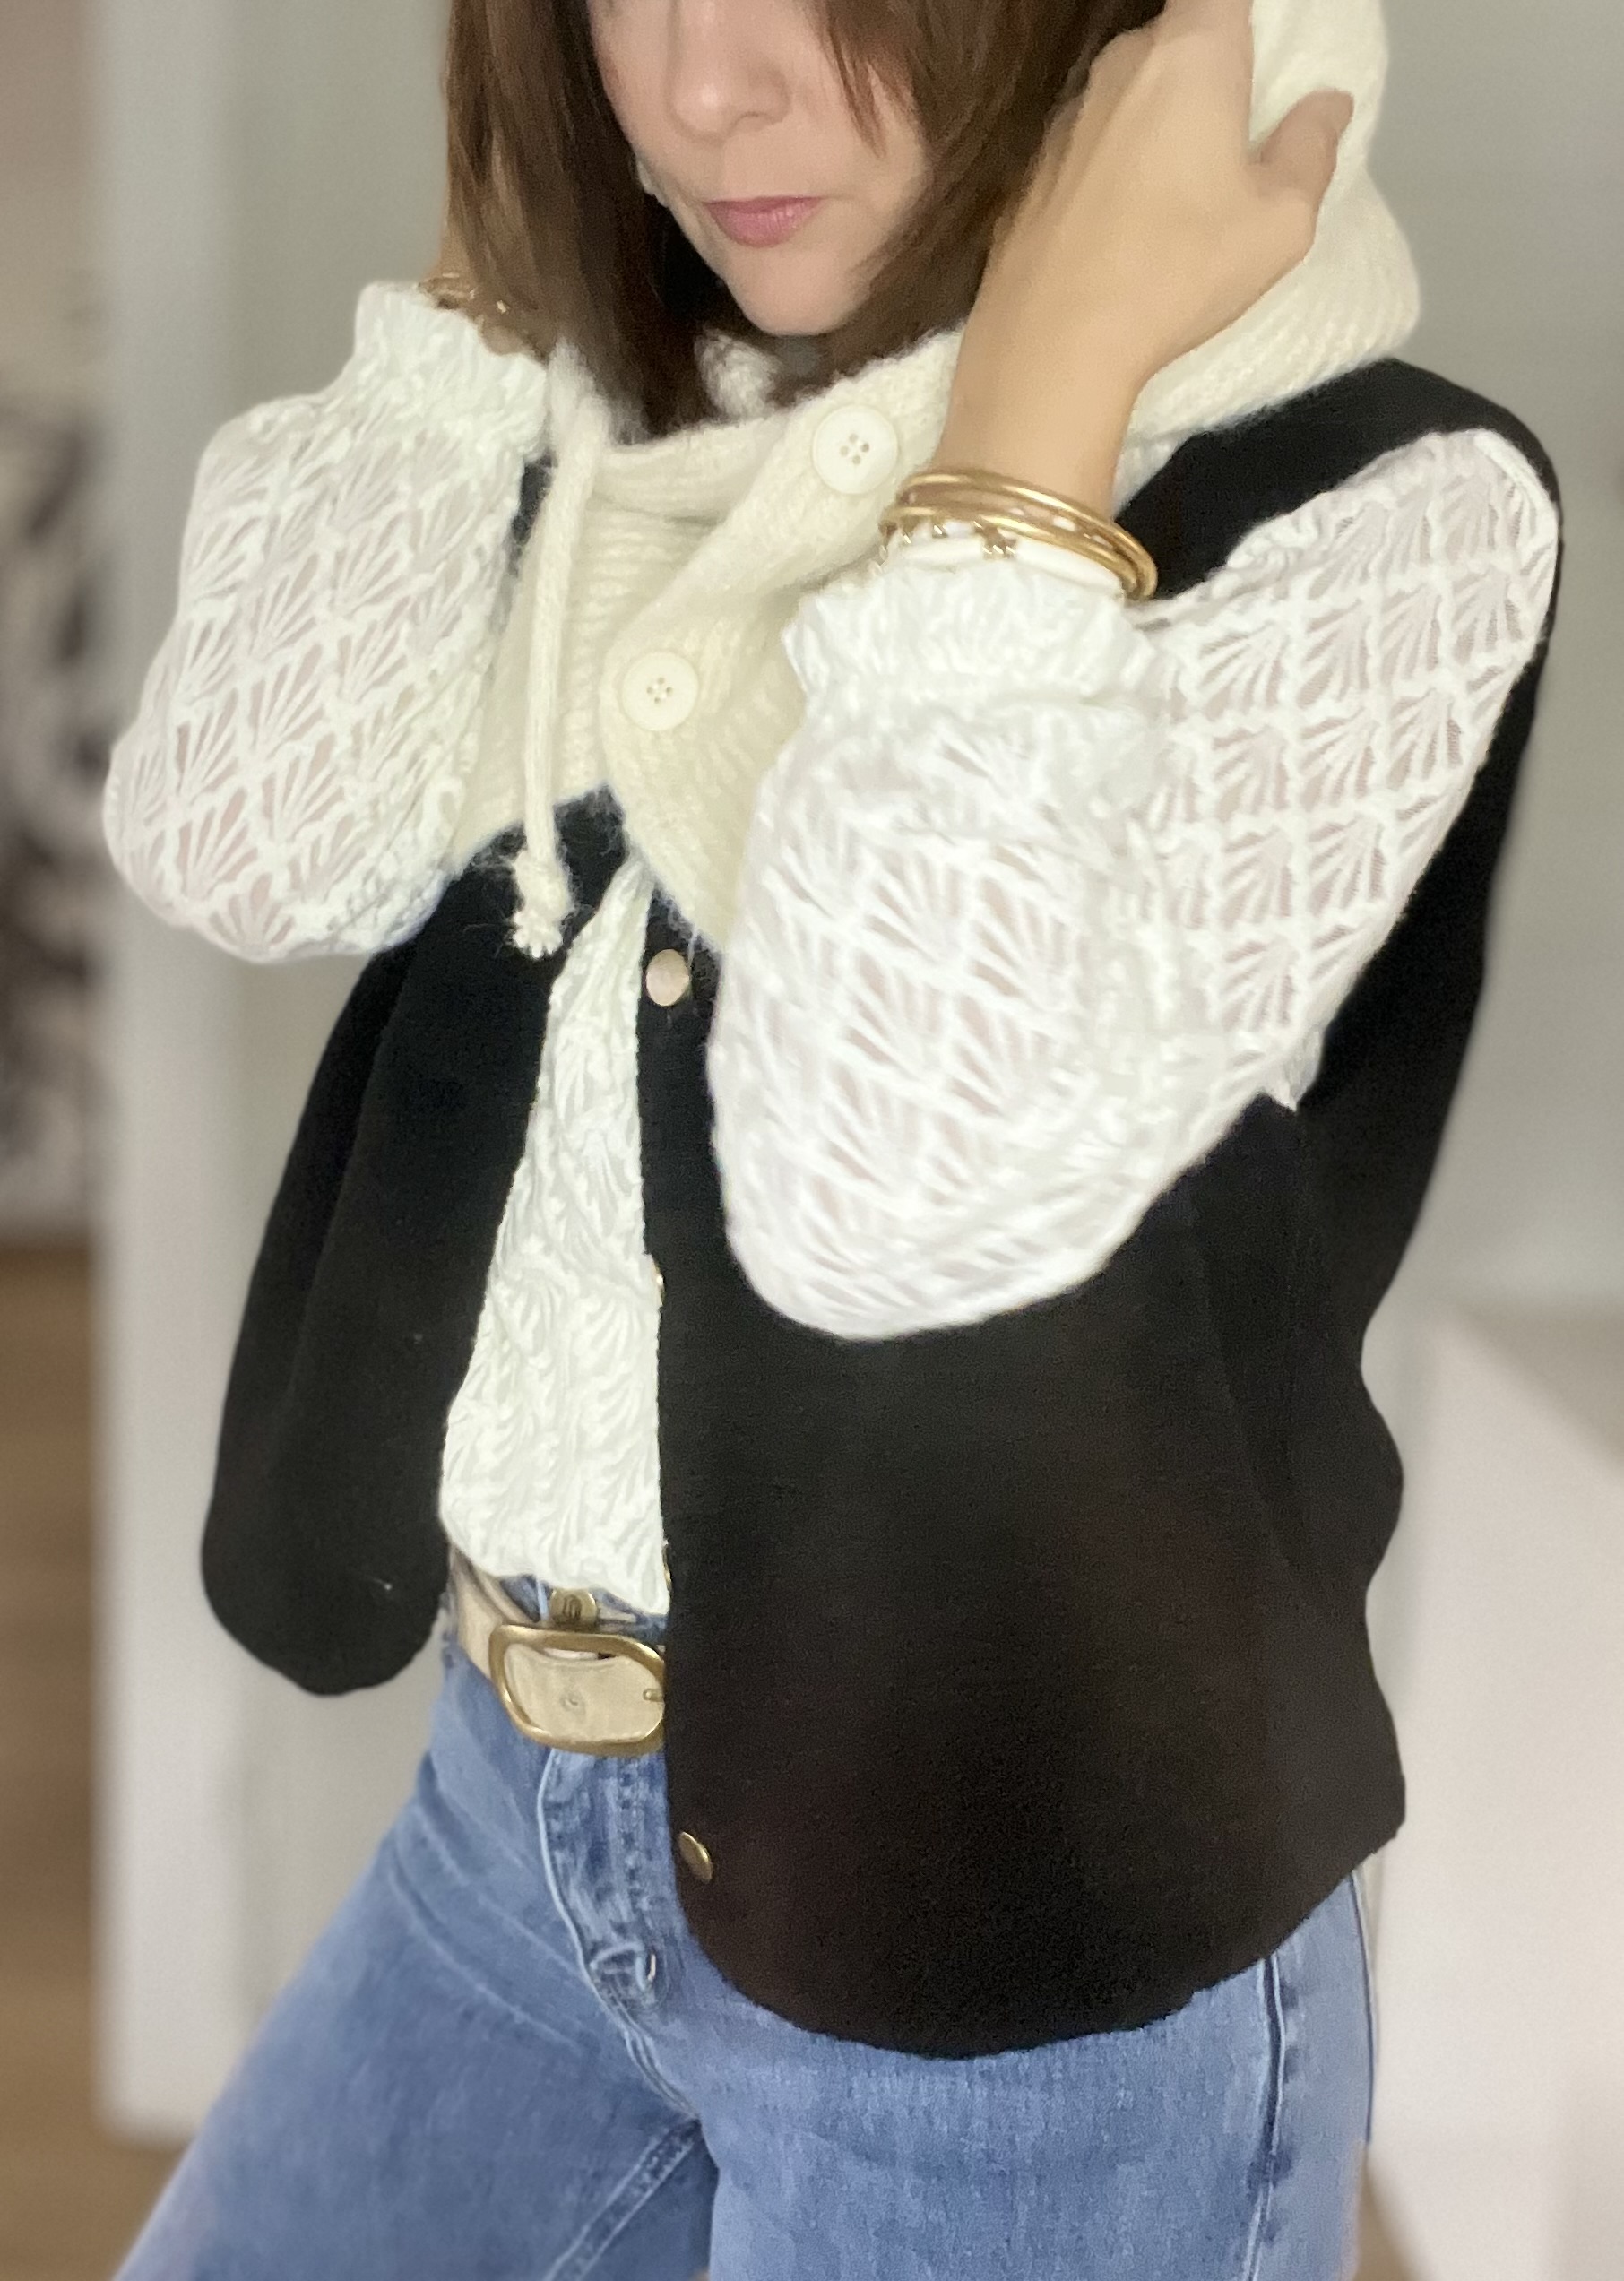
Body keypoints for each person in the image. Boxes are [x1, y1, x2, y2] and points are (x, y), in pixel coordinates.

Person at [104, 0, 1563, 2271]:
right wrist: (492, 279)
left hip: (1024, 1952)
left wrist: (1027, 431)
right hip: (517, 1820)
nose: (703, 92)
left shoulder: (1384, 504)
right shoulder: (622, 432)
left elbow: (888, 1183)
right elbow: (241, 839)